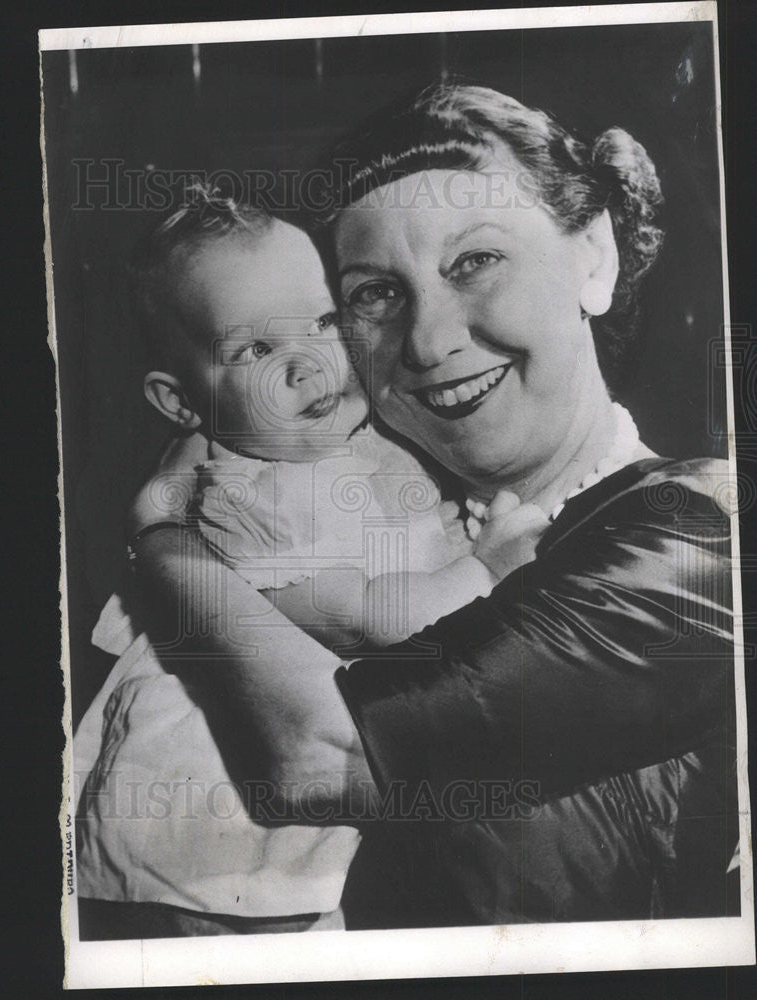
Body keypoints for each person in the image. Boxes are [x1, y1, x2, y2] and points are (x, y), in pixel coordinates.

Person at [125, 84, 739, 927]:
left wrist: (164, 548)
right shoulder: (388, 508)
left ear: (593, 256)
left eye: (475, 262)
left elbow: (318, 760)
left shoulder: (700, 528)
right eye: (376, 294)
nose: (426, 340)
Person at [75, 186, 547, 939]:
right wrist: (484, 570)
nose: (308, 364)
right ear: (182, 401)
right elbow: (354, 620)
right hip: (188, 850)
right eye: (256, 349)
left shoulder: (362, 442)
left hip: (290, 860)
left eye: (325, 322)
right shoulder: (242, 495)